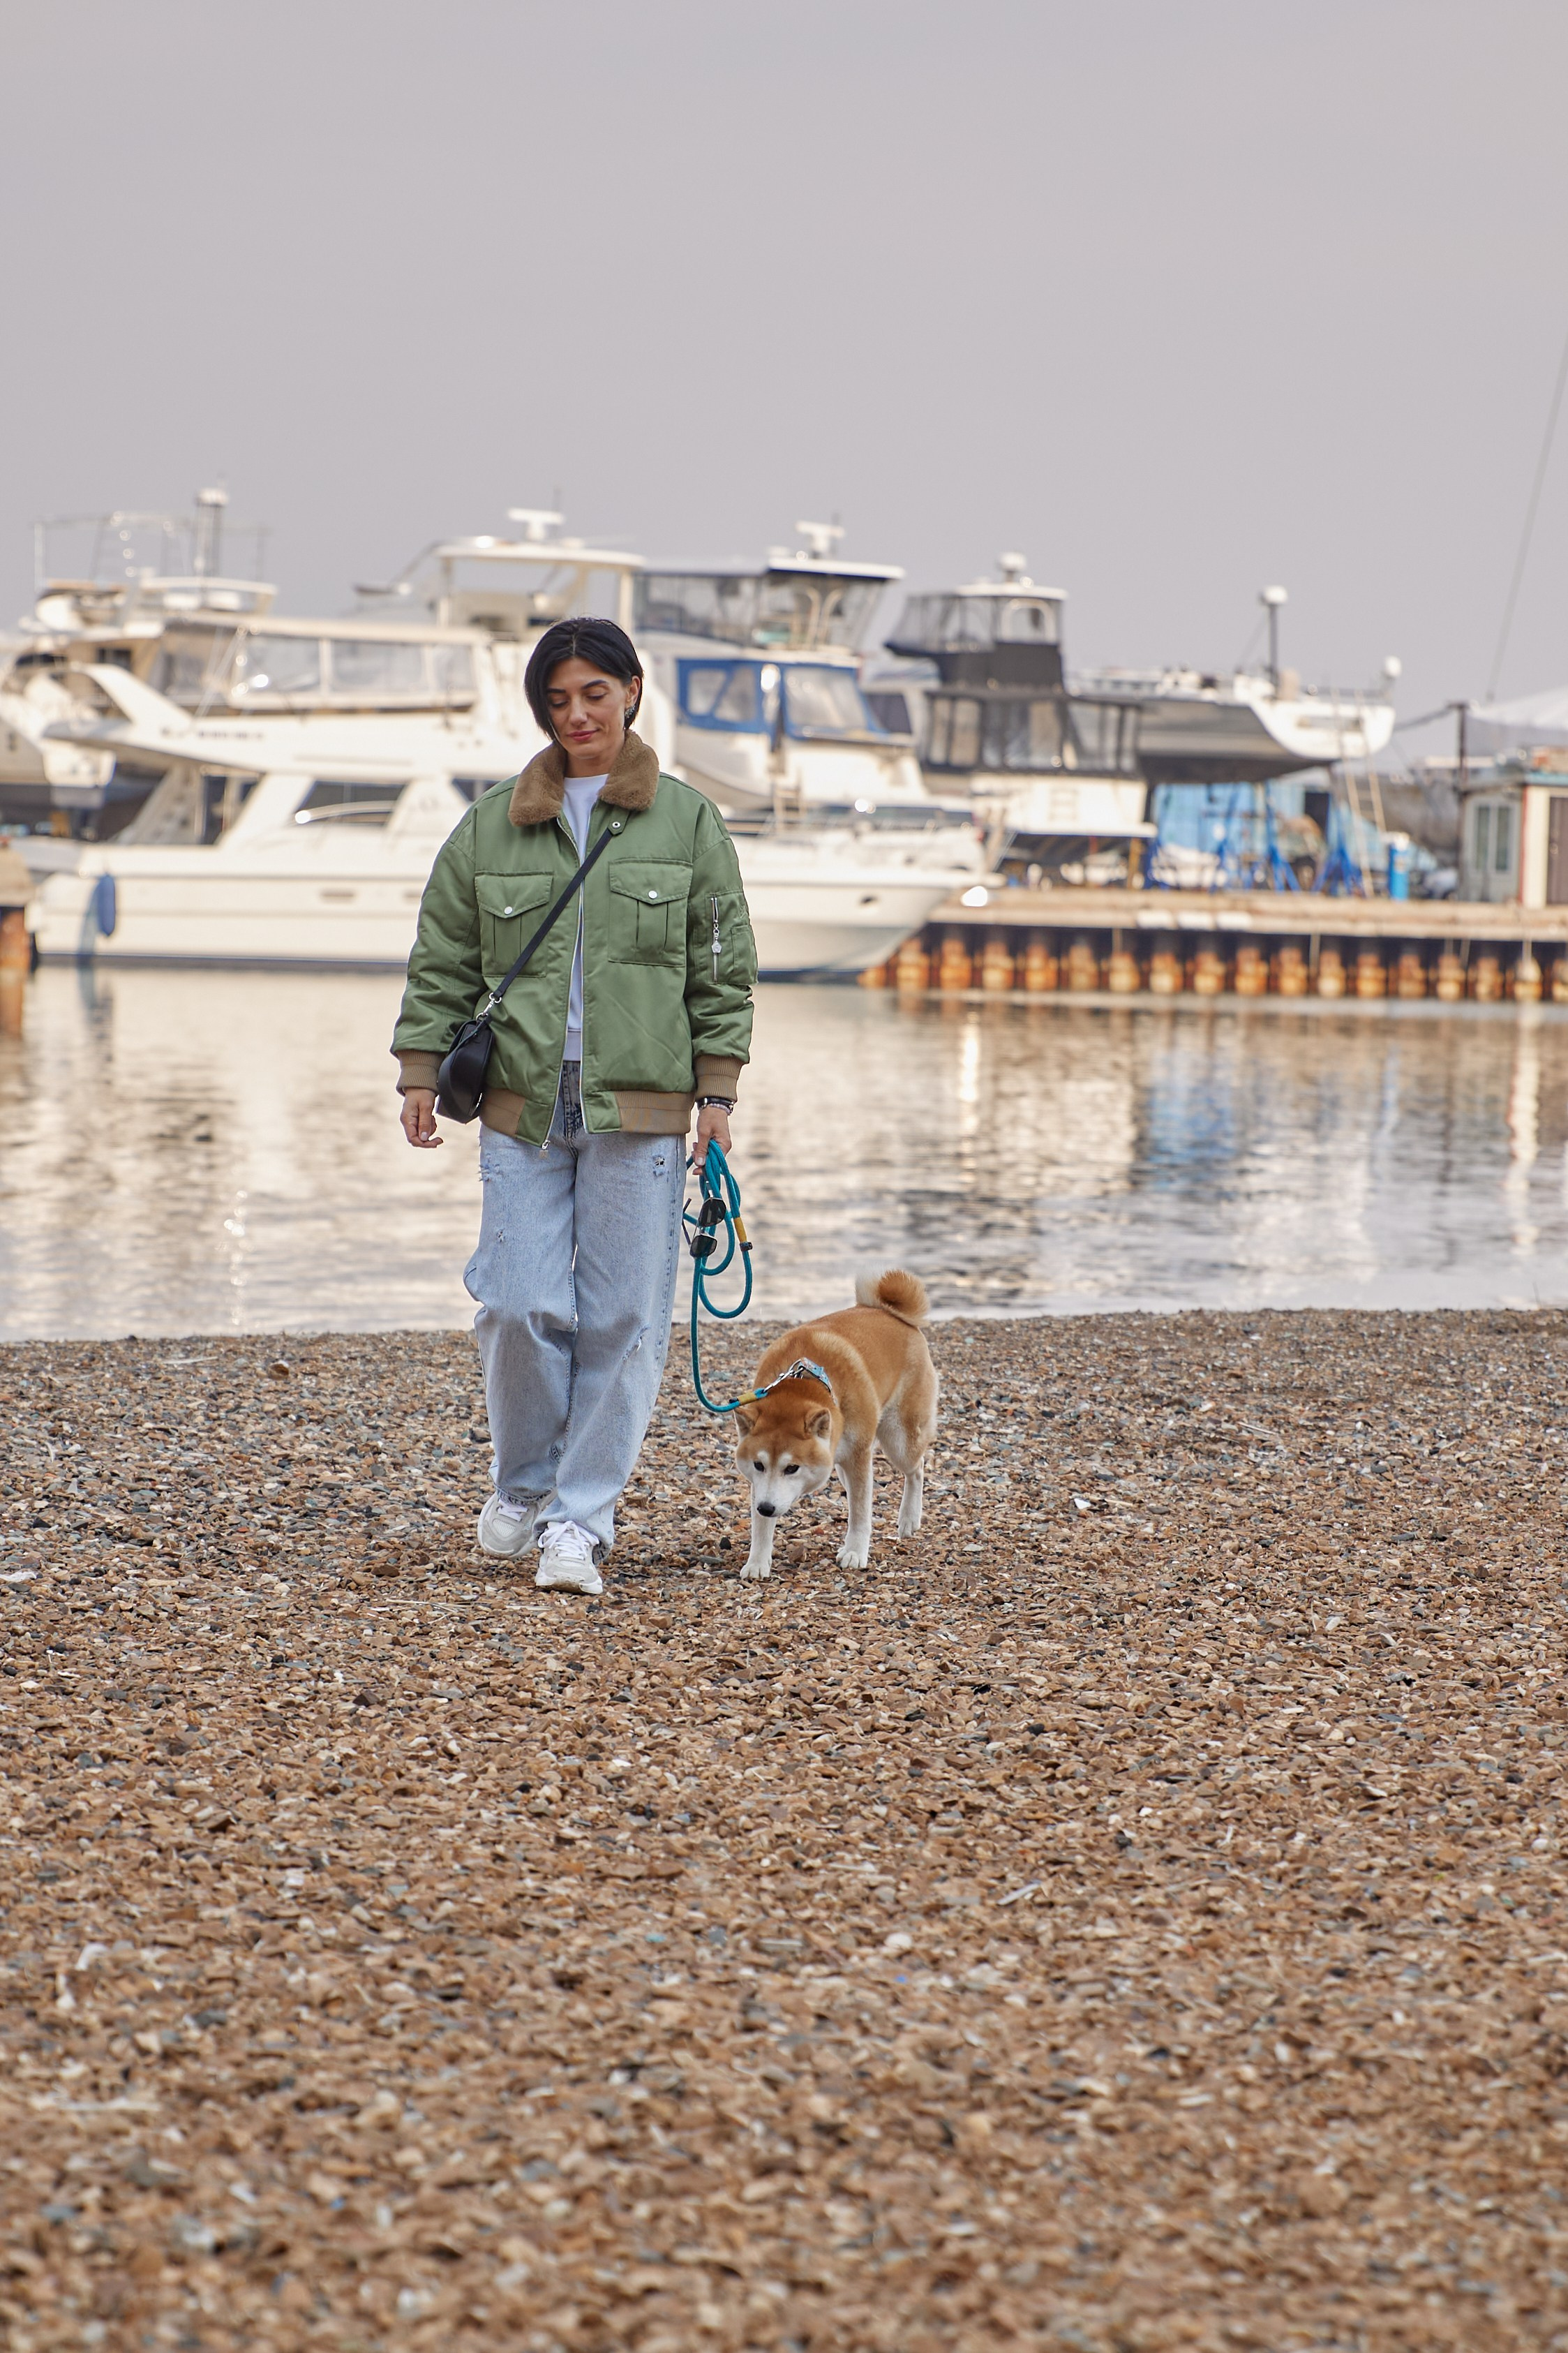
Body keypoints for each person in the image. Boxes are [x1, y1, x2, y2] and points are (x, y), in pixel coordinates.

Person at [392, 617, 756, 1596]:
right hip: (519, 1101)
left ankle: (579, 1523)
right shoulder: (490, 824)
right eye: (558, 699)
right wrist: (419, 1071)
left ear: (631, 692)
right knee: (516, 1305)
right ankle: (524, 1484)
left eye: (594, 693)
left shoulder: (687, 823)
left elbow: (722, 975)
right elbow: (441, 962)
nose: (578, 714)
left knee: (626, 1320)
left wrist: (717, 1094)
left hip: (642, 1107)